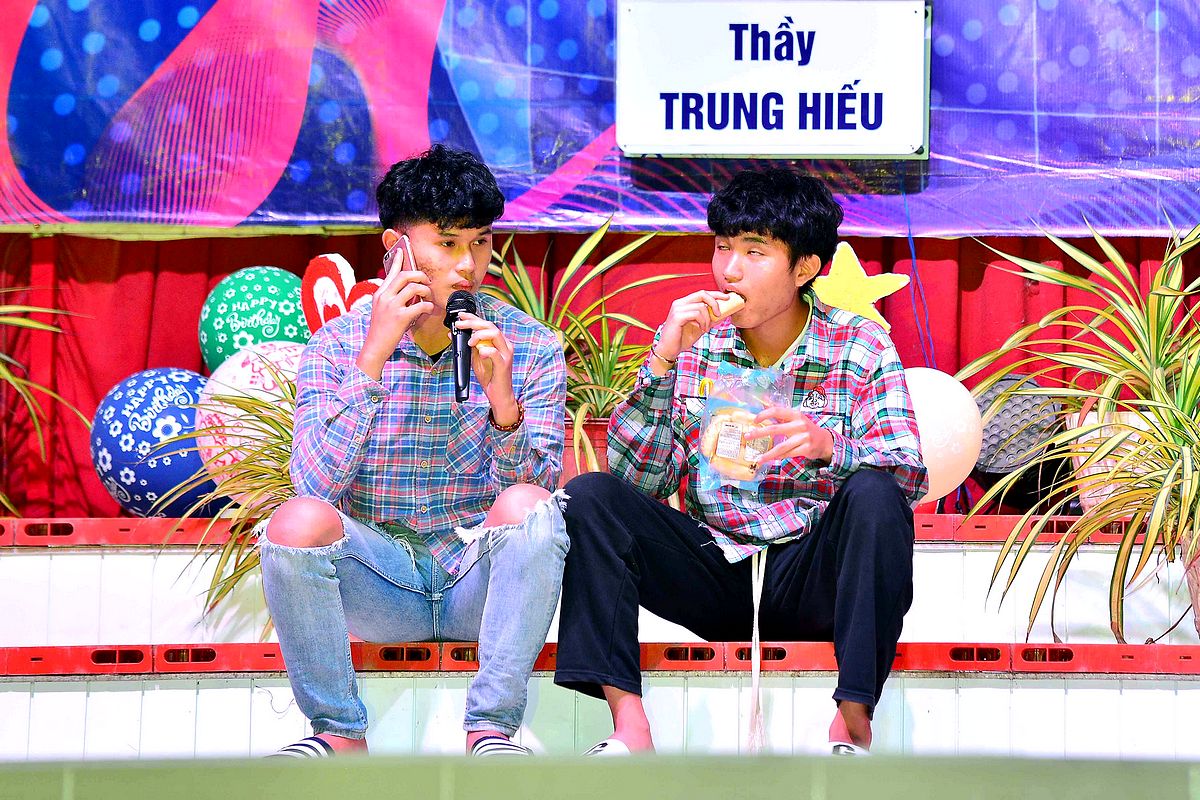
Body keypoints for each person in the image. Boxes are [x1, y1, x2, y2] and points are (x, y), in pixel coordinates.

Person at [554, 167, 927, 756]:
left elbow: (908, 472)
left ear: (805, 268)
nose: (729, 270)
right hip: (714, 568)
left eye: (754, 252)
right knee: (591, 496)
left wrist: (831, 447)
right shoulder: (696, 347)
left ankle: (853, 722)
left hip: (813, 573)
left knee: (877, 494)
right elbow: (636, 480)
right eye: (723, 247)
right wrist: (662, 360)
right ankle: (629, 726)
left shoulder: (859, 344)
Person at [260, 144, 569, 759]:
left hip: (475, 580)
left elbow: (535, 509)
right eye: (447, 243)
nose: (468, 265)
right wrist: (373, 357)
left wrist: (502, 402)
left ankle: (490, 730)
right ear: (396, 247)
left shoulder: (528, 345)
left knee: (533, 508)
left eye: (480, 243)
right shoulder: (337, 346)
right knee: (294, 523)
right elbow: (313, 491)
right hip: (381, 582)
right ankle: (338, 732)